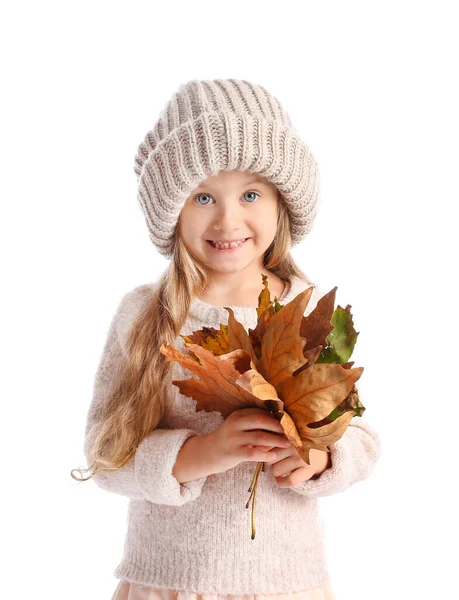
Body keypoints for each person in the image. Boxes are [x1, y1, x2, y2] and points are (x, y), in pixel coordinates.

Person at [71, 79, 382, 600]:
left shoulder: (306, 312)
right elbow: (106, 455)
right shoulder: (147, 317)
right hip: (167, 584)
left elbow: (361, 436)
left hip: (288, 584)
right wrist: (198, 454)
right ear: (172, 210)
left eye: (251, 194)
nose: (227, 219)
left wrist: (323, 459)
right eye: (204, 196)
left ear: (283, 203)